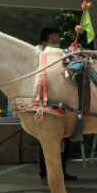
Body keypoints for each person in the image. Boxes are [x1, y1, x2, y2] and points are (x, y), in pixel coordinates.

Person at [36, 26, 78, 181]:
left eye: (58, 40)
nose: (57, 43)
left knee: (65, 140)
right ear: (44, 42)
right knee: (47, 142)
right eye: (53, 41)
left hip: (62, 104)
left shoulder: (61, 55)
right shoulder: (38, 55)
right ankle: (45, 173)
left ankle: (63, 172)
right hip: (44, 105)